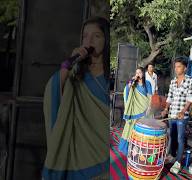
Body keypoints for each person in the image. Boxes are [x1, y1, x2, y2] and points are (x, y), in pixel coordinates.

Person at [42, 17, 109, 179]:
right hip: (79, 155)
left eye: (96, 36)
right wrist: (67, 66)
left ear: (106, 40)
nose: (89, 40)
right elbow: (54, 90)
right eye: (85, 36)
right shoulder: (77, 74)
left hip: (106, 153)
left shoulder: (109, 74)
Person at [161, 56, 192, 174]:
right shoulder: (172, 81)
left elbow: (190, 99)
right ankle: (171, 155)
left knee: (180, 138)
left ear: (185, 68)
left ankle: (178, 162)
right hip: (172, 114)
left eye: (179, 66)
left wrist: (183, 111)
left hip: (182, 116)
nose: (176, 69)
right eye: (175, 66)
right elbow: (169, 97)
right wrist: (166, 109)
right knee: (172, 135)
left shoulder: (191, 81)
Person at [118, 67, 152, 155]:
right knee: (130, 127)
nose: (138, 74)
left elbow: (150, 97)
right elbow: (127, 90)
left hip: (144, 109)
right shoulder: (133, 84)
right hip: (134, 110)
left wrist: (149, 108)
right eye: (136, 73)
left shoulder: (147, 83)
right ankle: (129, 148)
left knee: (141, 129)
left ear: (143, 74)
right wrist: (131, 82)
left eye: (140, 73)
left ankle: (141, 150)